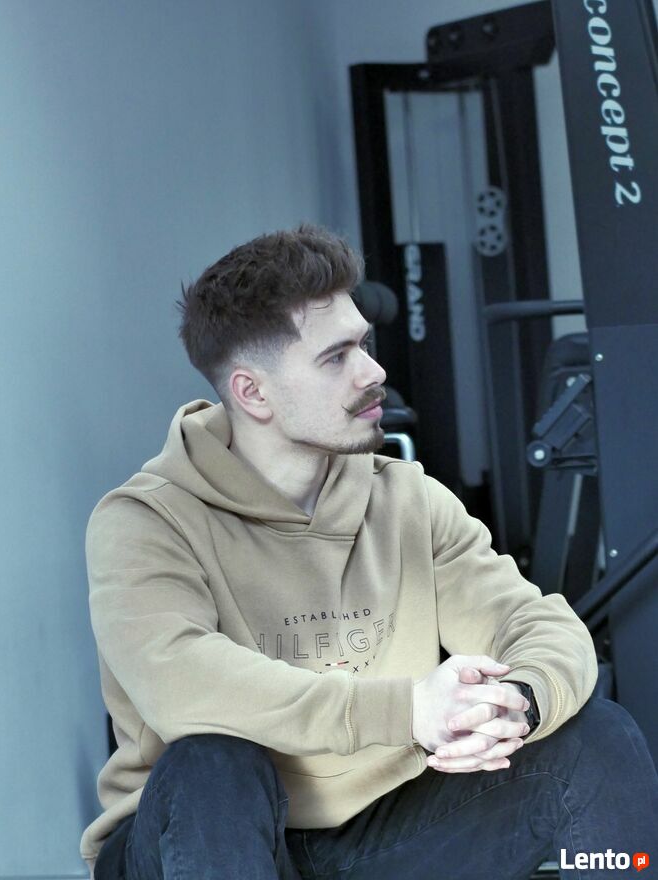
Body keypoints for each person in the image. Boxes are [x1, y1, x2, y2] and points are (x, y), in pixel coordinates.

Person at [84, 225, 657, 880]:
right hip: (200, 839)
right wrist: (409, 710)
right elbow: (184, 683)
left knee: (594, 738)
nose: (373, 371)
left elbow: (532, 622)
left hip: (381, 829)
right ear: (252, 393)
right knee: (212, 763)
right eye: (336, 357)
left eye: (363, 344)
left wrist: (518, 701)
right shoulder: (146, 521)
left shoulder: (407, 500)